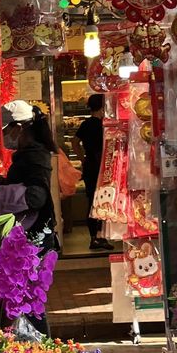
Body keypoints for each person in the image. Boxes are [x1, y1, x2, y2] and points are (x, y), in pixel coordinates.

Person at [0, 99, 59, 254]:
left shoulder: (35, 156)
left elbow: (36, 197)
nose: (3, 136)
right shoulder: (29, 154)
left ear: (18, 128)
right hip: (30, 231)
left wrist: (0, 194)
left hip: (33, 234)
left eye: (4, 131)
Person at [72, 94, 113, 251]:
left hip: (91, 166)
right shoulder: (105, 125)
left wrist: (83, 158)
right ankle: (101, 236)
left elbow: (75, 142)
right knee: (104, 201)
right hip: (104, 166)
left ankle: (93, 238)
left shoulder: (86, 124)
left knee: (91, 201)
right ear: (103, 106)